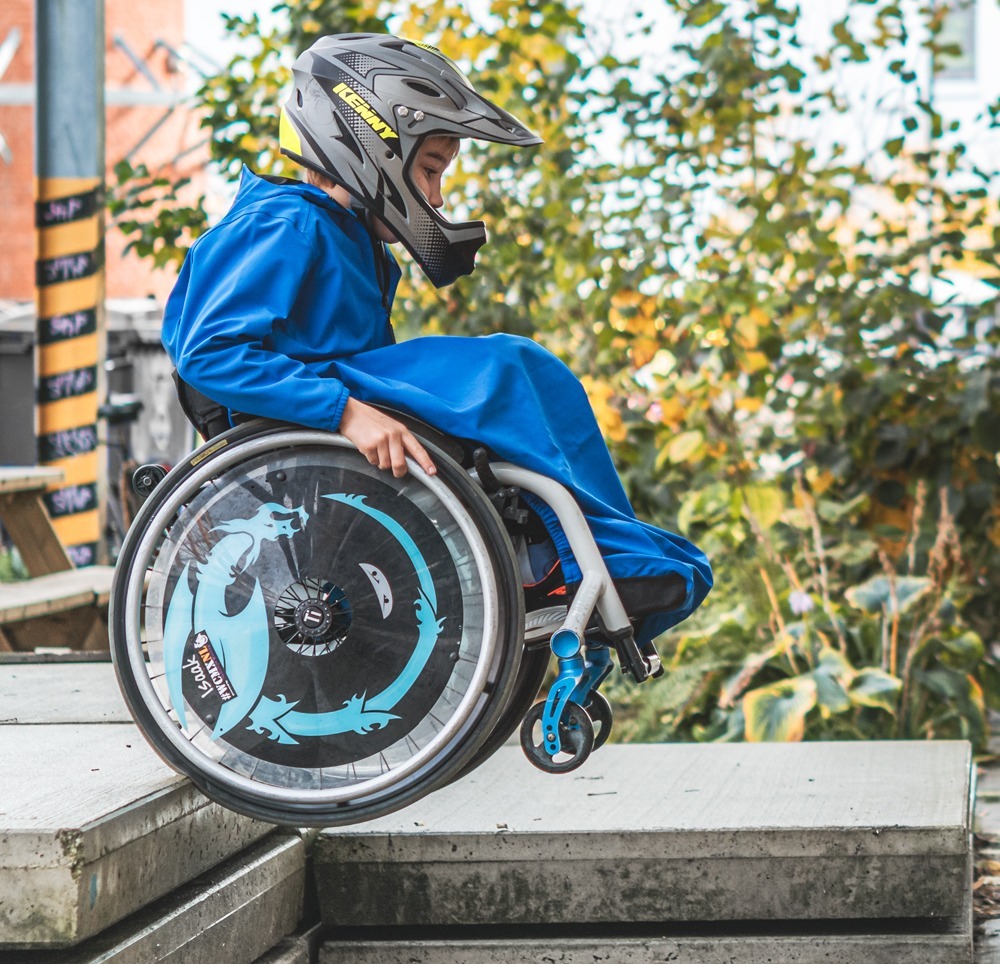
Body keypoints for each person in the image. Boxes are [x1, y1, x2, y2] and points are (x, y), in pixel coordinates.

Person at [162, 32, 711, 644]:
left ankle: (578, 548)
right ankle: (584, 556)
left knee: (524, 373)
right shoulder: (285, 221)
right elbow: (208, 353)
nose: (437, 197)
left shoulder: (347, 241)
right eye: (429, 170)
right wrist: (345, 414)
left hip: (332, 405)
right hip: (308, 418)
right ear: (368, 146)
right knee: (509, 367)